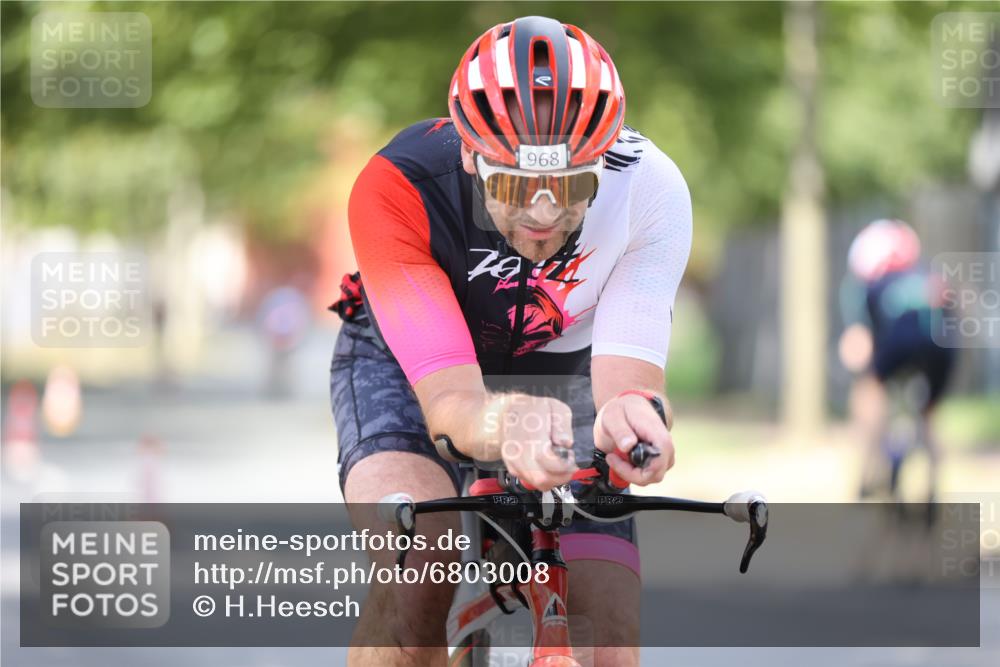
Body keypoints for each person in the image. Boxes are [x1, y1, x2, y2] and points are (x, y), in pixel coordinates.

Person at [330, 15, 692, 666]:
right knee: (419, 573)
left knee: (608, 634)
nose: (545, 212)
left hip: (563, 366)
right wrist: (506, 421)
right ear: (472, 156)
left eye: (571, 187)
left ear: (601, 161)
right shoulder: (397, 187)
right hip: (411, 364)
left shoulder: (650, 190)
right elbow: (453, 405)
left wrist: (636, 417)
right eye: (516, 187)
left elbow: (627, 382)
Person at [838, 218, 956, 504]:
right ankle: (933, 485)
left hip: (899, 341)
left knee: (870, 391)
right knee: (929, 414)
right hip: (942, 345)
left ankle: (867, 474)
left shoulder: (873, 285)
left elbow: (859, 342)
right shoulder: (930, 275)